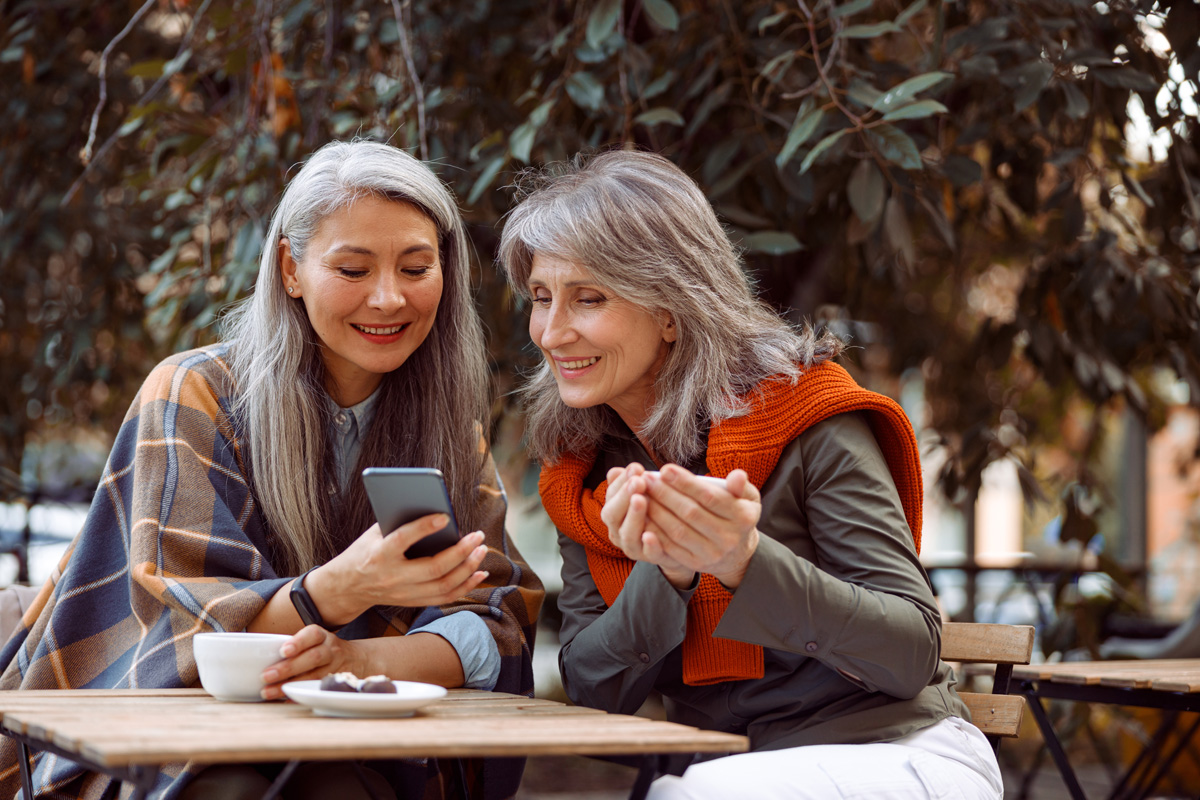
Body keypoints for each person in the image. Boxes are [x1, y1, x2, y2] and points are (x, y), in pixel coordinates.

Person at [0, 140, 544, 800]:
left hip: (344, 740)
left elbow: (499, 620)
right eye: (352, 269)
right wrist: (337, 592)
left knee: (339, 790)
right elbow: (178, 623)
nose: (388, 297)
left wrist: (362, 658)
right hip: (162, 736)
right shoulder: (193, 392)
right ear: (291, 267)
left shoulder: (450, 427)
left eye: (415, 266)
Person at [497, 150, 1002, 799]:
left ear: (670, 311)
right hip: (728, 771)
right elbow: (599, 691)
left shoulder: (809, 414)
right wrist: (670, 570)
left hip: (894, 752)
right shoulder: (585, 471)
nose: (552, 331)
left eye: (588, 298)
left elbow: (910, 652)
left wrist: (742, 562)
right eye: (542, 298)